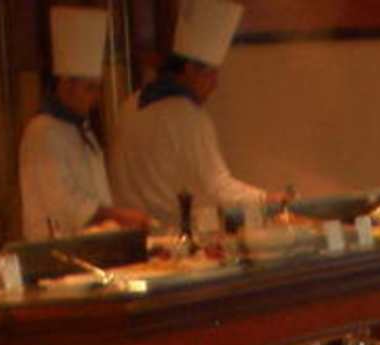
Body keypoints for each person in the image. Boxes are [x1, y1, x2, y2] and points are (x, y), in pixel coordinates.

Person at [108, 0, 275, 231]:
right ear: (190, 69)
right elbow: (216, 188)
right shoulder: (187, 116)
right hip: (172, 237)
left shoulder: (130, 104)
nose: (215, 85)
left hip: (129, 237)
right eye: (211, 74)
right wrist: (268, 200)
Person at [18, 8, 146, 240]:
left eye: (97, 88)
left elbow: (98, 195)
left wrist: (116, 220)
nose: (96, 98)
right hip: (54, 249)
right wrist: (118, 216)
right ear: (66, 86)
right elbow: (66, 204)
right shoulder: (41, 132)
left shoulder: (83, 130)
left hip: (91, 243)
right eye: (89, 88)